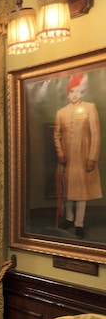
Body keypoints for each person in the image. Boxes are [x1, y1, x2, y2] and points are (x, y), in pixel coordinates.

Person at [54, 72, 102, 239]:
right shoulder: (61, 112)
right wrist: (60, 154)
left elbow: (96, 135)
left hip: (83, 157)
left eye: (78, 91)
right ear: (67, 93)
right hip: (67, 159)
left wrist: (92, 157)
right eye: (72, 91)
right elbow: (57, 135)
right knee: (67, 190)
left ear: (82, 92)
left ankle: (79, 223)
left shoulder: (90, 108)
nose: (75, 95)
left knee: (81, 192)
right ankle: (69, 218)